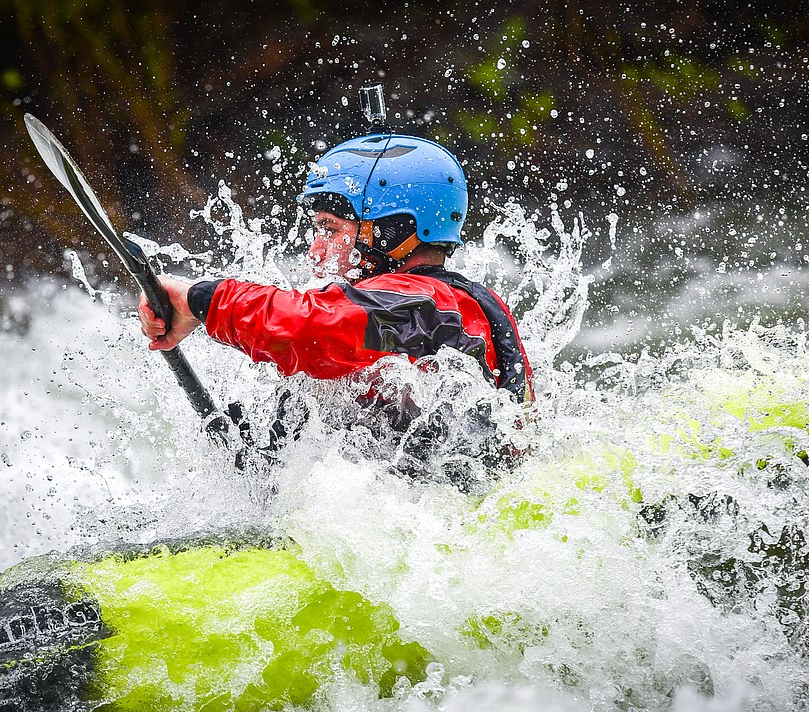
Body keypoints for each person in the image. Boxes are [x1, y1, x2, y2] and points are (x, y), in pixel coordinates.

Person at [138, 132, 533, 478]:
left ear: (394, 230)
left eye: (329, 229)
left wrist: (198, 299)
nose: (314, 251)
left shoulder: (428, 304)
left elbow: (305, 331)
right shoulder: (437, 303)